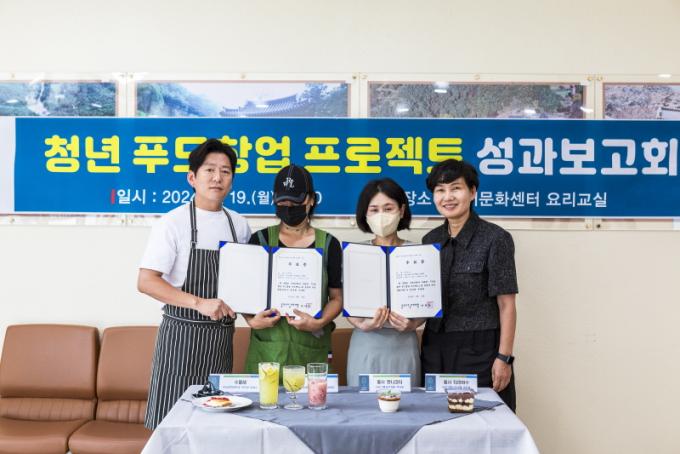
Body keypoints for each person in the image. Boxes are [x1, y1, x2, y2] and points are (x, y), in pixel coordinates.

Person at [138, 139, 251, 429]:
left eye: (225, 171)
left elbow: (243, 284)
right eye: (209, 170)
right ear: (192, 177)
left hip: (220, 341)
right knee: (171, 426)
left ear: (232, 179)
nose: (217, 177)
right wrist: (199, 303)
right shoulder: (172, 223)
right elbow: (146, 281)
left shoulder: (238, 225)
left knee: (214, 428)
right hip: (180, 341)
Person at [421, 159, 518, 411]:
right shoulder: (430, 240)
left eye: (456, 188)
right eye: (440, 190)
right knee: (434, 419)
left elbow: (507, 305)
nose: (447, 197)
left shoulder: (495, 238)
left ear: (472, 192)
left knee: (482, 420)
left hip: (480, 351)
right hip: (435, 349)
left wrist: (504, 358)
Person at [243, 164, 343, 372]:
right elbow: (244, 292)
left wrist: (320, 322)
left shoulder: (329, 244)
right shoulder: (259, 240)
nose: (288, 207)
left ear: (311, 199)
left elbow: (336, 298)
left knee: (312, 392)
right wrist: (251, 321)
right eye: (282, 201)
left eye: (295, 202)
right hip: (267, 347)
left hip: (311, 347)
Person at [345, 178, 424, 386]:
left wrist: (414, 324)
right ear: (365, 214)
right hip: (365, 343)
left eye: (388, 208)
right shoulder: (354, 253)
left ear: (402, 210)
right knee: (362, 404)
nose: (381, 215)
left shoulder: (418, 253)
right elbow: (344, 298)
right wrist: (361, 323)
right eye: (374, 210)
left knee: (408, 404)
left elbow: (427, 299)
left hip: (404, 344)